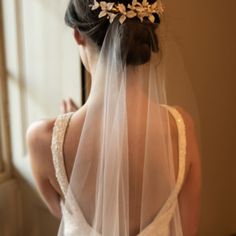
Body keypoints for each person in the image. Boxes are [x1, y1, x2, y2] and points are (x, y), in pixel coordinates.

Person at [26, 0, 201, 235]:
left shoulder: (43, 140)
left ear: (77, 35)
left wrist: (69, 133)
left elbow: (65, 215)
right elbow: (188, 230)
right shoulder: (181, 129)